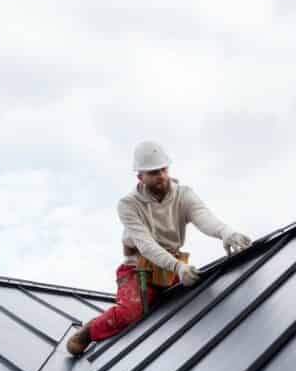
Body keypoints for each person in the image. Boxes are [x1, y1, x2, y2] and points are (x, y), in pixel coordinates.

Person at [66, 141, 252, 355]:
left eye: (163, 169)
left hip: (170, 268)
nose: (161, 176)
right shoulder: (128, 205)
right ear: (140, 177)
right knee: (130, 312)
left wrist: (226, 232)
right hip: (139, 270)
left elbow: (204, 218)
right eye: (153, 172)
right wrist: (178, 268)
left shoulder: (184, 195)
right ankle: (88, 331)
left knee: (198, 295)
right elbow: (146, 245)